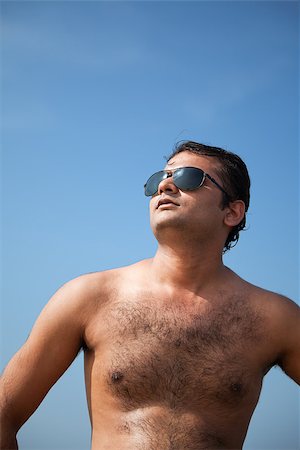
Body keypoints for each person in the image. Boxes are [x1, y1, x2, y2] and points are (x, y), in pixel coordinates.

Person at [1, 141, 299, 450]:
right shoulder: (88, 297)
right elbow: (3, 415)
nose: (166, 185)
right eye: (159, 178)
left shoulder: (275, 318)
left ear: (232, 211)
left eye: (188, 178)